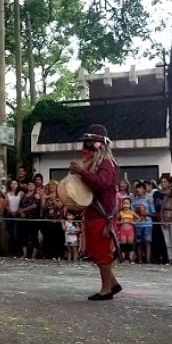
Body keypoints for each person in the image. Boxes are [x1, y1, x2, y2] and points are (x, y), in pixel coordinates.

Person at [68, 124, 122, 300]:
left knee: (101, 252)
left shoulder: (106, 163)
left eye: (89, 143)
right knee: (94, 250)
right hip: (95, 213)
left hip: (102, 214)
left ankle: (106, 290)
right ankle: (113, 284)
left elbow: (101, 183)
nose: (86, 147)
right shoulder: (96, 163)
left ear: (99, 144)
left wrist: (82, 171)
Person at [116, 197, 139, 263]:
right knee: (123, 245)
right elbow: (116, 221)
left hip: (130, 230)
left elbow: (138, 218)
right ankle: (122, 259)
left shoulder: (132, 212)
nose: (125, 205)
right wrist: (121, 222)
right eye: (124, 203)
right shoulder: (120, 213)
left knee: (130, 245)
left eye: (127, 203)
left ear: (130, 205)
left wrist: (134, 223)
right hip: (123, 230)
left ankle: (131, 260)